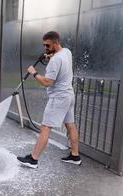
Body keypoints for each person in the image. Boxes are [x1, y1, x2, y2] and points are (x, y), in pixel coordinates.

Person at [17, 31, 81, 169]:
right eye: (44, 45)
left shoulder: (55, 61)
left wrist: (34, 73)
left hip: (58, 98)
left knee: (45, 127)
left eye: (47, 45)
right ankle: (75, 156)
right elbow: (58, 59)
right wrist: (49, 56)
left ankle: (33, 160)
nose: (45, 48)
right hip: (69, 95)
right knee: (70, 125)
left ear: (56, 43)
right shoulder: (66, 52)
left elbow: (47, 82)